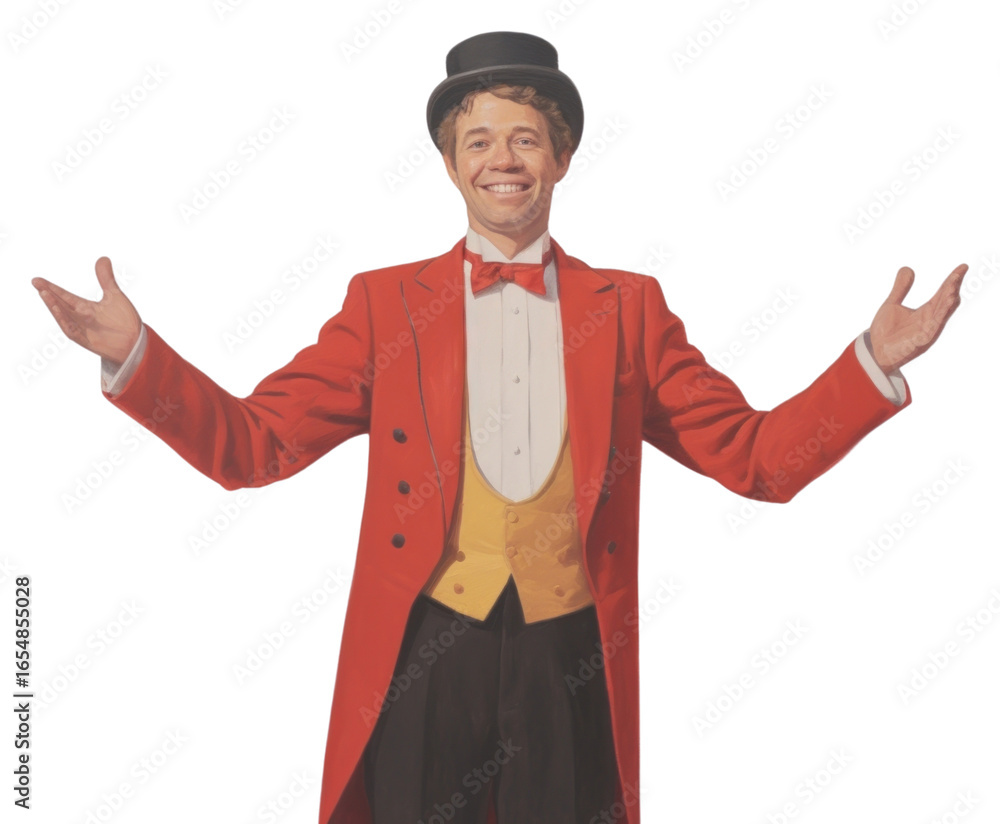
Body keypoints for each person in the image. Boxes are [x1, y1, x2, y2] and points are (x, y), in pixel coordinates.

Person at [31, 30, 965, 824]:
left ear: (562, 157)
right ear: (450, 164)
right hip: (426, 652)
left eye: (526, 139)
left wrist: (870, 365)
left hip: (570, 657)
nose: (503, 160)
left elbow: (756, 459)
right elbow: (256, 445)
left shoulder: (630, 309)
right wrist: (139, 358)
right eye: (478, 141)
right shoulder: (385, 306)